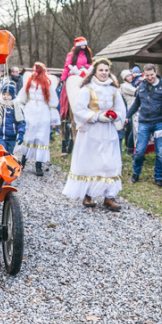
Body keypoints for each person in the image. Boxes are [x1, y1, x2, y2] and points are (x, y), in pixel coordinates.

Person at [63, 59, 127, 211]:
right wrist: (97, 117)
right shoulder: (87, 89)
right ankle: (88, 195)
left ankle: (109, 197)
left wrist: (114, 116)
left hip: (108, 131)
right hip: (92, 131)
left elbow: (121, 109)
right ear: (95, 72)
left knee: (109, 162)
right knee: (91, 161)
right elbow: (79, 110)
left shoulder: (114, 90)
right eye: (101, 70)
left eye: (106, 70)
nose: (104, 73)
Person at [126, 64, 162, 187]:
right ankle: (136, 173)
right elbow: (136, 104)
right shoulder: (141, 86)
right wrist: (127, 115)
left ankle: (158, 176)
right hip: (144, 122)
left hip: (159, 123)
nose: (150, 77)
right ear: (144, 74)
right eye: (147, 75)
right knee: (139, 151)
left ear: (156, 72)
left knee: (160, 152)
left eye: (151, 75)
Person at [17, 62, 59, 176]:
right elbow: (21, 98)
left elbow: (53, 101)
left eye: (37, 70)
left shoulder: (48, 84)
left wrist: (53, 119)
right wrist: (20, 112)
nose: (35, 73)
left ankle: (38, 165)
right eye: (34, 70)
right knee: (28, 136)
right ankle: (23, 162)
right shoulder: (29, 82)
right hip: (30, 112)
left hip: (43, 113)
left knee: (41, 138)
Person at [59, 37, 94, 156]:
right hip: (73, 76)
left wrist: (87, 69)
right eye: (82, 44)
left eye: (85, 44)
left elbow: (90, 64)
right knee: (66, 94)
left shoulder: (87, 54)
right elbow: (67, 66)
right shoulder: (71, 55)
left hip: (85, 76)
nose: (84, 46)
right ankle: (65, 113)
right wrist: (63, 78)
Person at [0, 82, 26, 154]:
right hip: (0, 136)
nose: (5, 97)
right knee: (2, 152)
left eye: (8, 95)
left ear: (12, 96)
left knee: (10, 153)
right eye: (4, 94)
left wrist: (21, 134)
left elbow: (21, 122)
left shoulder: (16, 108)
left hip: (12, 137)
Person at [120, 69, 138, 155]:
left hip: (135, 109)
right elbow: (137, 92)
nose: (130, 77)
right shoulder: (125, 86)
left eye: (130, 75)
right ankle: (130, 149)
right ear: (124, 78)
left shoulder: (130, 85)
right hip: (132, 109)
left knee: (133, 130)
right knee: (133, 131)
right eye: (127, 76)